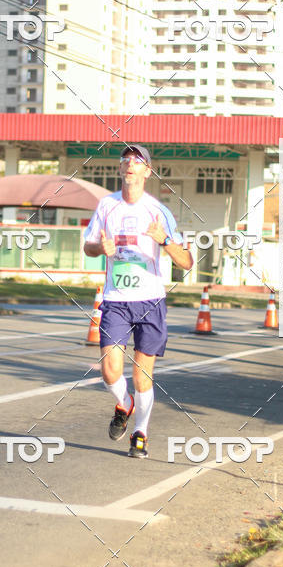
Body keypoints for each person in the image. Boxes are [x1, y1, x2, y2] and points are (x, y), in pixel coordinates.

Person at [83, 144, 193, 458]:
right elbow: (89, 247)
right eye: (126, 160)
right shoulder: (106, 206)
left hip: (150, 302)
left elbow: (186, 261)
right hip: (116, 300)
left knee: (142, 375)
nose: (131, 164)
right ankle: (125, 403)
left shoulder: (159, 211)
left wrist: (165, 241)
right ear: (120, 169)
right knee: (110, 372)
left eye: (138, 161)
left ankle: (141, 433)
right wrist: (99, 249)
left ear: (147, 171)